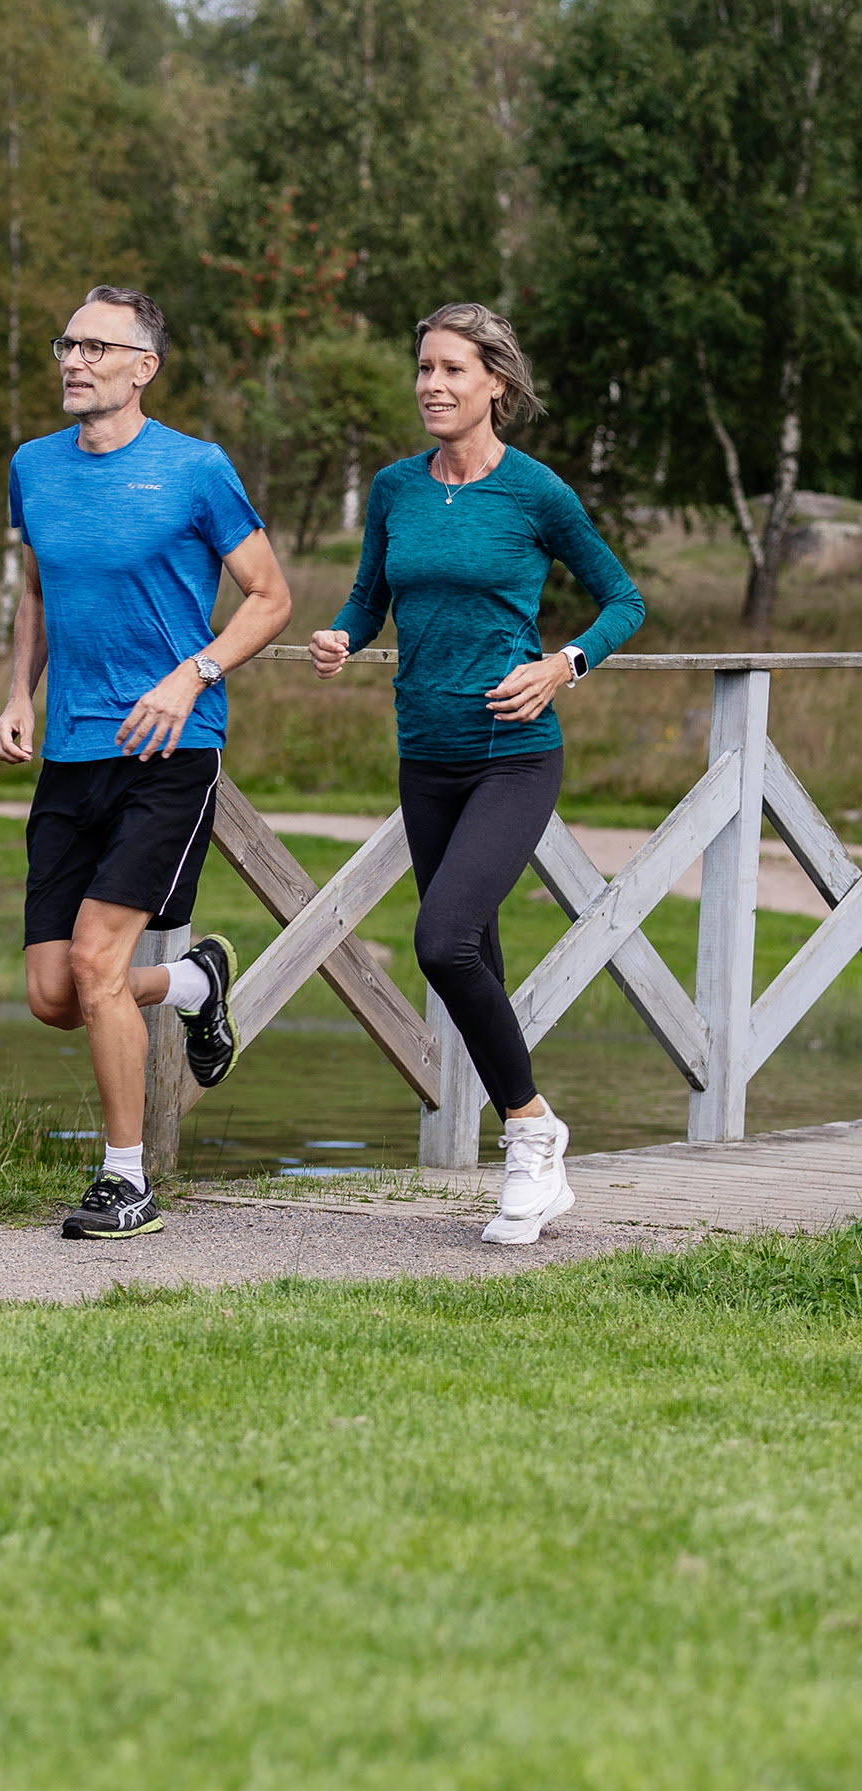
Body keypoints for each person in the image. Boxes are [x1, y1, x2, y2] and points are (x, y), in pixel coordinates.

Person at [308, 302, 644, 1244]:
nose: (433, 384)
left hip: (513, 754)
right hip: (426, 754)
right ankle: (534, 1167)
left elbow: (624, 597)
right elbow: (371, 596)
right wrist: (342, 632)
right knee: (476, 955)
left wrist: (562, 664)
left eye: (454, 369)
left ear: (495, 382)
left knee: (442, 940)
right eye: (424, 367)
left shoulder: (535, 492)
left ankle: (534, 1134)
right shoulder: (393, 489)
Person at [0, 285, 292, 1239]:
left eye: (95, 346)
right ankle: (198, 983)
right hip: (72, 751)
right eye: (65, 344)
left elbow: (271, 597)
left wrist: (190, 676)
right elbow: (38, 589)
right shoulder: (32, 468)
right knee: (54, 995)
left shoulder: (197, 470)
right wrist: (15, 694)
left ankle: (126, 1180)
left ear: (142, 367)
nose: (73, 361)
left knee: (96, 961)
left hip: (169, 749)